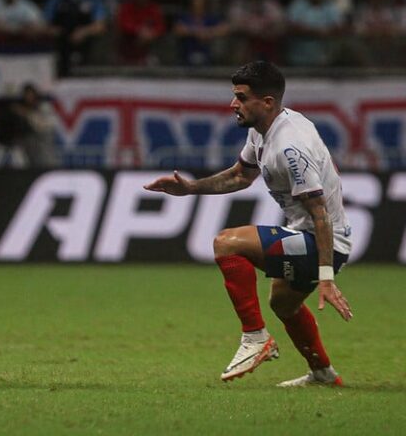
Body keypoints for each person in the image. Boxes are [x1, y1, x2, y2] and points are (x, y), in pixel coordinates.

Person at [144, 61, 353, 387]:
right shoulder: (263, 131)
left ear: (267, 102)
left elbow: (321, 214)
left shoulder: (290, 146)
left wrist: (326, 276)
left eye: (241, 97)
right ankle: (323, 374)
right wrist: (190, 188)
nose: (233, 104)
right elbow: (242, 175)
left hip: (322, 241)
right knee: (283, 304)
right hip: (307, 234)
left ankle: (255, 337)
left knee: (227, 243)